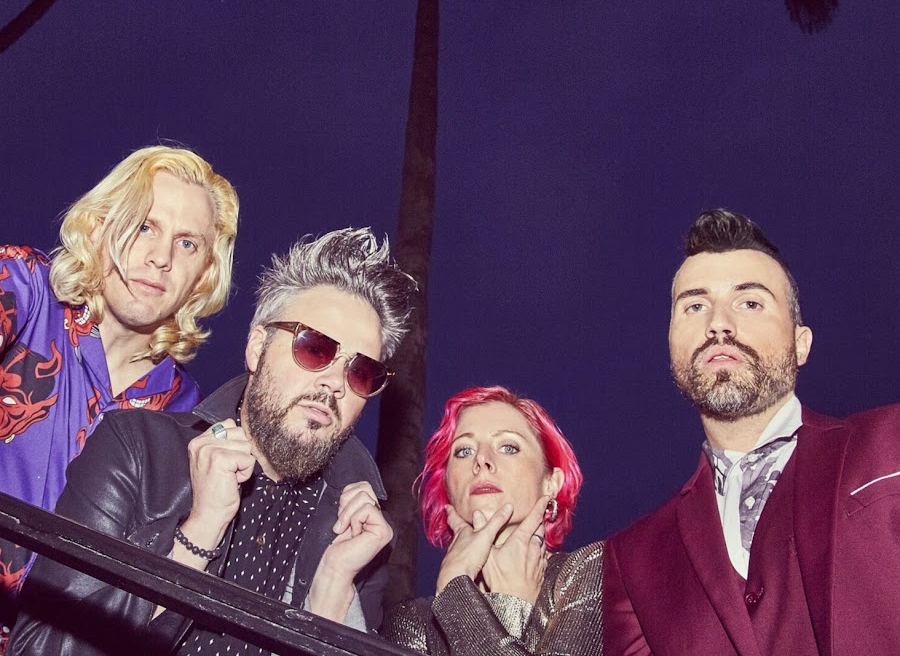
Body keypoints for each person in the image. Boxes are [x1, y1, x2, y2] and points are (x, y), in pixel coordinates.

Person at [9, 227, 416, 656]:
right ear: (257, 348)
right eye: (315, 348)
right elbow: (39, 648)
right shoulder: (136, 449)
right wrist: (197, 535)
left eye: (361, 373)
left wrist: (331, 596)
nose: (335, 382)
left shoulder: (359, 534)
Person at [603, 208, 900, 655]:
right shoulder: (632, 559)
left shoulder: (890, 442)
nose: (718, 323)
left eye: (750, 303)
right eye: (695, 306)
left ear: (800, 344)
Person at [0, 144, 238, 649]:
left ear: (203, 275)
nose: (161, 258)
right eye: (145, 225)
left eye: (187, 243)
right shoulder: (24, 290)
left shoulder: (184, 414)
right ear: (99, 227)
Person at [382, 386, 604, 655]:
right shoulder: (411, 621)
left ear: (551, 482)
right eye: (464, 451)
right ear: (448, 486)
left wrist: (459, 590)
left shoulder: (590, 571)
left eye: (508, 447)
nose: (482, 460)